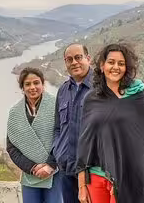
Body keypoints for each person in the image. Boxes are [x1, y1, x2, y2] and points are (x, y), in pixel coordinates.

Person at [76, 43, 144, 203]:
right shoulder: (91, 99)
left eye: (121, 63)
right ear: (102, 65)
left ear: (127, 67)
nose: (115, 67)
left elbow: (142, 143)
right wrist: (82, 185)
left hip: (126, 178)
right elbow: (84, 143)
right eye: (111, 62)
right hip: (96, 178)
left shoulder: (137, 96)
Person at [6, 67, 63, 203]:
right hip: (29, 174)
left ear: (43, 84)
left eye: (36, 83)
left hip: (54, 173)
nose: (32, 87)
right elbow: (12, 147)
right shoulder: (15, 113)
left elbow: (63, 138)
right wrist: (33, 167)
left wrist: (50, 165)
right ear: (22, 88)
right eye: (27, 84)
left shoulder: (57, 105)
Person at [53, 44, 93, 203]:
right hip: (66, 169)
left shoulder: (100, 89)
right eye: (69, 59)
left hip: (92, 171)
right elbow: (57, 128)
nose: (74, 62)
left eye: (78, 57)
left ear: (88, 59)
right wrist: (58, 150)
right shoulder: (63, 90)